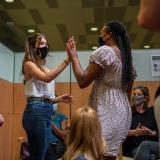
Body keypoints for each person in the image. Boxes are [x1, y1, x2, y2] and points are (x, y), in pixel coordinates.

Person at [66, 21, 136, 160]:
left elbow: (83, 81)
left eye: (102, 32)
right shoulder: (128, 61)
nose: (100, 35)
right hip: (123, 113)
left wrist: (74, 57)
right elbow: (128, 96)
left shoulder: (105, 52)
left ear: (109, 34)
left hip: (106, 110)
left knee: (97, 154)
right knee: (109, 155)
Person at [22, 33, 74, 160]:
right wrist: (68, 60)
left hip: (46, 111)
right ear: (33, 47)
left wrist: (58, 98)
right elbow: (47, 78)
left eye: (46, 43)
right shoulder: (29, 64)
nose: (45, 46)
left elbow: (44, 97)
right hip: (36, 111)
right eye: (41, 43)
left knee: (42, 154)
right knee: (39, 155)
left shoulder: (45, 68)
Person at [123, 85, 159, 160]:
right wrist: (135, 132)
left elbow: (158, 133)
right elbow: (120, 133)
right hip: (135, 149)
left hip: (153, 145)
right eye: (134, 94)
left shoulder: (152, 111)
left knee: (146, 145)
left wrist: (152, 133)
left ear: (145, 98)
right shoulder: (128, 113)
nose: (135, 96)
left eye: (139, 94)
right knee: (149, 155)